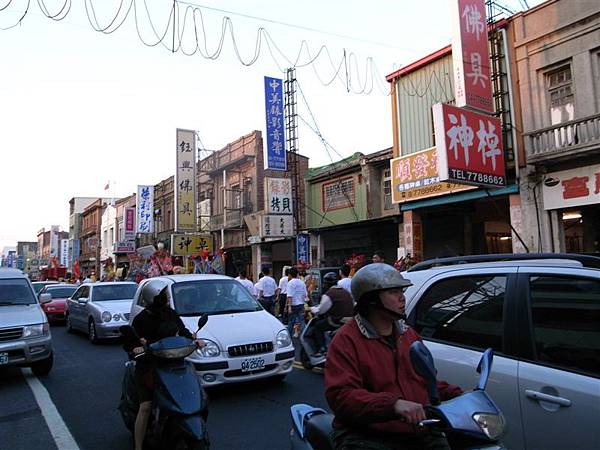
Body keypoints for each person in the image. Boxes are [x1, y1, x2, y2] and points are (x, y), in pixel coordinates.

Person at [325, 263, 462, 450]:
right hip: (366, 434)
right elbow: (342, 396)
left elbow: (425, 381)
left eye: (401, 291)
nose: (402, 298)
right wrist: (394, 405)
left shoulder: (409, 335)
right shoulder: (346, 340)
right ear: (371, 299)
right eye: (393, 292)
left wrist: (459, 394)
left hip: (419, 429)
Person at [123, 279, 205, 450]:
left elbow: (182, 331)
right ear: (154, 297)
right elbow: (130, 342)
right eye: (164, 295)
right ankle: (138, 446)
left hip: (174, 362)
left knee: (196, 393)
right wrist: (137, 348)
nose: (167, 298)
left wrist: (194, 340)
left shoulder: (170, 313)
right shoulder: (141, 319)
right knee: (145, 406)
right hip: (150, 365)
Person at [307, 272, 354, 357]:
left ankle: (322, 349)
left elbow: (321, 310)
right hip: (350, 321)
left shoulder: (329, 294)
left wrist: (311, 309)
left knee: (318, 326)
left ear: (327, 284)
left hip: (337, 320)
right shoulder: (345, 292)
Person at [285, 267, 308, 338]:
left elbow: (289, 296)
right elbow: (305, 294)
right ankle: (305, 336)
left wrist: (289, 306)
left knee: (291, 321)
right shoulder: (302, 283)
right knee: (302, 321)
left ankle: (288, 336)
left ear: (289, 275)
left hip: (293, 304)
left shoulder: (290, 283)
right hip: (301, 304)